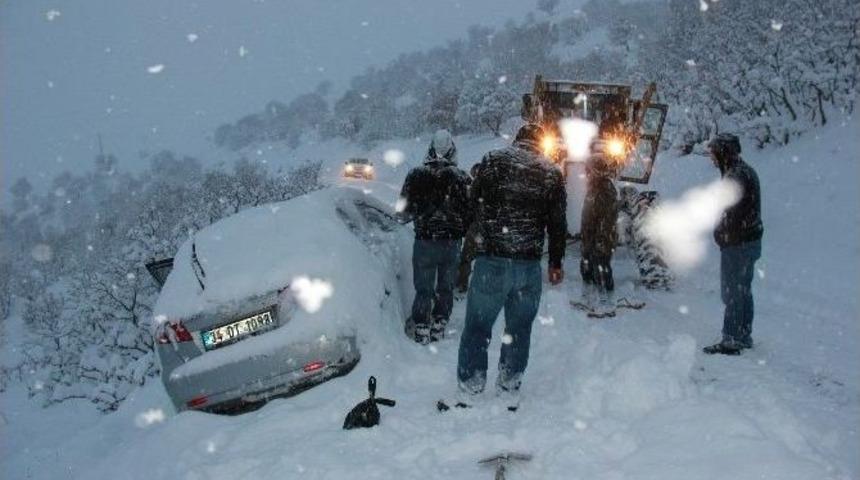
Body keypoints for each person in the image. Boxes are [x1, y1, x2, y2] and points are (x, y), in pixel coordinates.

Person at [456, 124, 567, 404]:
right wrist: (555, 262)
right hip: (528, 268)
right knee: (518, 330)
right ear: (540, 145)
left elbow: (472, 205)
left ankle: (471, 387)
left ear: (516, 141)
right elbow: (557, 224)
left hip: (491, 262)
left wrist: (470, 241)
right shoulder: (551, 173)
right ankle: (508, 387)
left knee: (478, 328)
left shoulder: (494, 161)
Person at [399, 129, 471, 344]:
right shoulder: (462, 177)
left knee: (424, 287)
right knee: (446, 286)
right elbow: (471, 211)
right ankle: (440, 322)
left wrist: (420, 216)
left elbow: (403, 212)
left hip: (425, 241)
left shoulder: (415, 175)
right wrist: (459, 228)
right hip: (451, 242)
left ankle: (422, 324)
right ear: (451, 150)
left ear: (430, 149)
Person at [704, 133, 764, 355]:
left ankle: (731, 339)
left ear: (723, 152)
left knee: (732, 292)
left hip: (738, 244)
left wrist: (722, 233)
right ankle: (743, 335)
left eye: (713, 153)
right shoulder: (744, 171)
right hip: (750, 241)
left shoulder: (735, 177)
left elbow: (730, 213)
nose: (711, 158)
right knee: (743, 290)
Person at [579, 139, 619, 316]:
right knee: (587, 262)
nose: (586, 173)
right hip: (590, 235)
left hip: (601, 237)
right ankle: (588, 296)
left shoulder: (605, 189)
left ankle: (607, 301)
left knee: (601, 264)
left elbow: (607, 219)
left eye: (588, 170)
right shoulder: (593, 187)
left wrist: (602, 240)